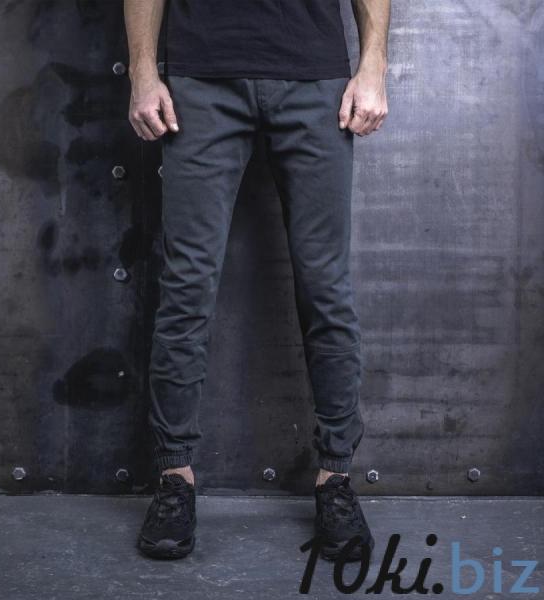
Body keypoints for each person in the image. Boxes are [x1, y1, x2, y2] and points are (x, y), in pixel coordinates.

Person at [124, 0, 390, 561]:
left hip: (313, 77)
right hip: (202, 78)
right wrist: (143, 73)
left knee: (326, 287)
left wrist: (373, 66)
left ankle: (336, 479)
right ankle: (174, 478)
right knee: (186, 286)